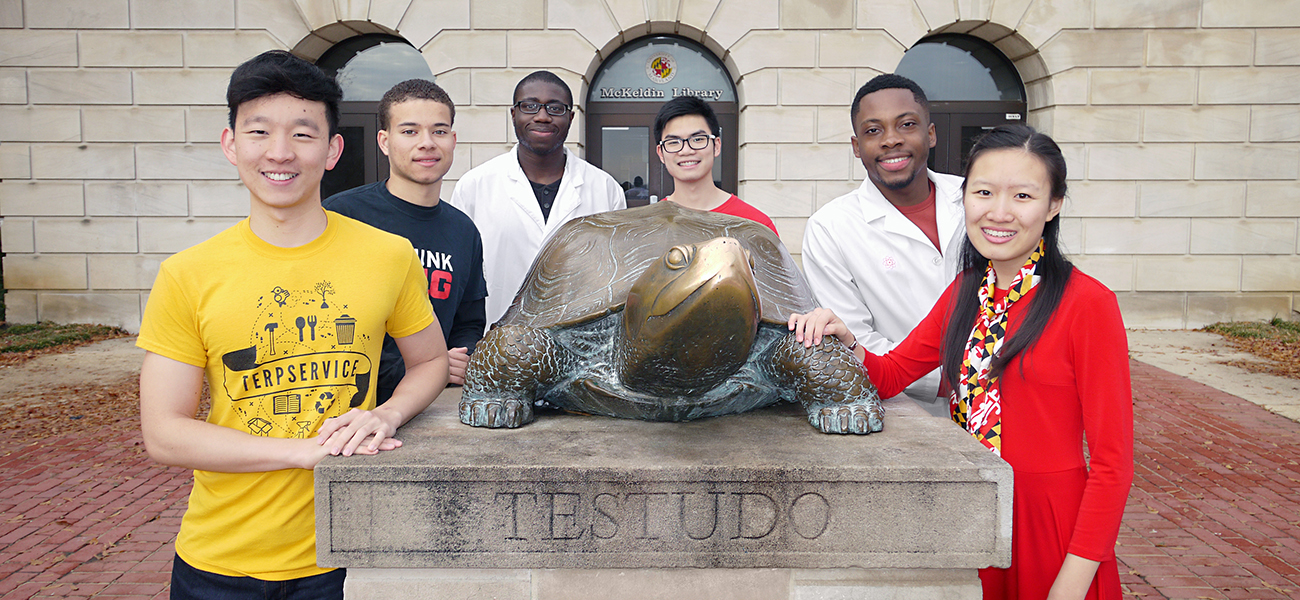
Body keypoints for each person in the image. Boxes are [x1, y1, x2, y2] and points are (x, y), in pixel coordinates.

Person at [136, 50, 449, 599]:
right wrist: (300, 452)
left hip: (349, 555)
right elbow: (164, 431)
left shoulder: (388, 256)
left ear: (332, 150)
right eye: (259, 131)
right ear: (231, 143)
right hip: (220, 562)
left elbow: (429, 360)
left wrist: (387, 413)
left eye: (303, 134)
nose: (280, 153)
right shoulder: (188, 274)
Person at [790, 125, 1133, 600]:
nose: (999, 212)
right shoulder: (965, 294)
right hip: (971, 516)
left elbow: (1114, 464)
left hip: (1052, 535)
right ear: (964, 198)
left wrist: (1074, 579)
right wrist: (844, 338)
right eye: (984, 192)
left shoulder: (1088, 304)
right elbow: (891, 375)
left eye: (1023, 195)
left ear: (1053, 205)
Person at [801, 73, 965, 416]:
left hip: (1013, 400)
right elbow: (856, 338)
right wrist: (956, 379)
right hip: (910, 412)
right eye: (873, 130)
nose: (891, 140)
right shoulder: (830, 228)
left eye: (906, 124)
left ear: (930, 134)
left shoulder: (975, 199)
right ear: (857, 146)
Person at [325, 79, 487, 394]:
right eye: (409, 131)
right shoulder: (341, 215)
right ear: (385, 141)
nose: (426, 143)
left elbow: (468, 322)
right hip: (351, 406)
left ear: (453, 140)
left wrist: (459, 359)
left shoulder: (464, 231)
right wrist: (427, 366)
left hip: (434, 408)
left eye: (439, 131)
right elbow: (326, 322)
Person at [448, 70, 625, 325]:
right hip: (495, 344)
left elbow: (616, 279)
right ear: (513, 114)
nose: (542, 116)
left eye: (555, 108)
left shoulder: (605, 189)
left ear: (571, 117)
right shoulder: (475, 186)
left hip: (581, 348)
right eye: (530, 106)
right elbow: (458, 278)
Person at [653, 95, 778, 235]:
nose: (686, 150)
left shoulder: (757, 225)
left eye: (698, 139)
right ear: (661, 153)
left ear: (717, 146)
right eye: (674, 142)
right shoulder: (648, 227)